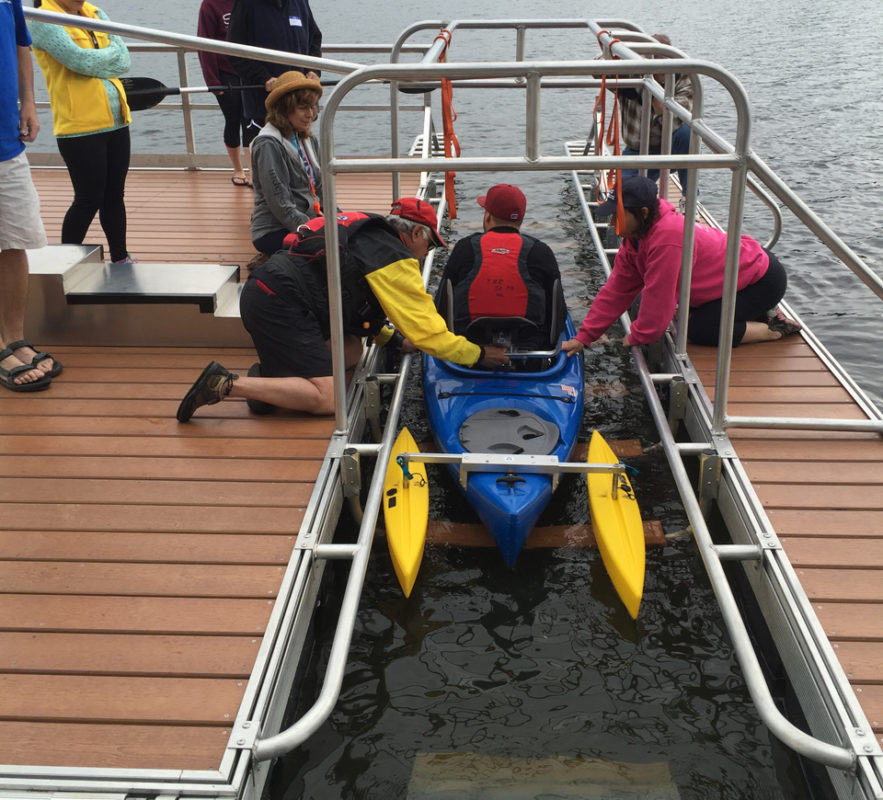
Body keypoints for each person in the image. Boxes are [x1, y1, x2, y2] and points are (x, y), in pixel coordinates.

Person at [176, 198, 510, 421]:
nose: (428, 253)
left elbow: (353, 301)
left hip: (266, 292)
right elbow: (431, 334)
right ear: (417, 233)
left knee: (352, 349)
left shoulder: (367, 234)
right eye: (431, 244)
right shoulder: (394, 260)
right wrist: (479, 354)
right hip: (282, 304)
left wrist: (393, 340)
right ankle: (225, 384)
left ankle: (276, 383)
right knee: (331, 400)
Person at [562, 175, 801, 356]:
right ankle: (763, 312)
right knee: (689, 315)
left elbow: (659, 297)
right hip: (740, 273)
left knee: (700, 330)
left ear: (643, 212)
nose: (614, 222)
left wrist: (638, 335)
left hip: (761, 280)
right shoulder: (635, 238)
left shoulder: (667, 239)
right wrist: (585, 336)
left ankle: (774, 328)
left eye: (619, 216)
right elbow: (617, 289)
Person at [29, 0, 135, 265]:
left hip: (117, 119)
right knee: (88, 198)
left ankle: (120, 258)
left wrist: (99, 63)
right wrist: (106, 60)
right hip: (79, 126)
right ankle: (66, 263)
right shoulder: (42, 19)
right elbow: (78, 61)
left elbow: (125, 59)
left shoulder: (95, 13)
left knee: (114, 195)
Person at [1, 0, 62, 391]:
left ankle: (14, 336)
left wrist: (28, 101)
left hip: (6, 139)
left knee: (15, 241)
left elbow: (21, 43)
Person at [437, 184, 566, 349]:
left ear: (488, 216)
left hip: (469, 346)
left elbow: (442, 302)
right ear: (521, 219)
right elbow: (557, 310)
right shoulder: (541, 251)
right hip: (529, 348)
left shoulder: (464, 248)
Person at [226, 0, 321, 146]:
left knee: (301, 160)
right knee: (267, 160)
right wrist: (264, 78)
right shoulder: (246, 4)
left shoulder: (300, 2)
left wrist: (313, 69)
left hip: (300, 103)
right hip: (264, 106)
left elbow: (315, 38)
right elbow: (234, 52)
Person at [249, 70, 323, 257]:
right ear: (284, 109)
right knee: (332, 250)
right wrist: (314, 231)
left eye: (312, 107)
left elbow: (322, 188)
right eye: (302, 107)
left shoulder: (307, 139)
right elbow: (280, 204)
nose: (310, 114)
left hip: (309, 221)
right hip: (275, 229)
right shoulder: (268, 144)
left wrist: (340, 219)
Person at [617, 33, 692, 192]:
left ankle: (690, 196)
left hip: (669, 144)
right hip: (636, 150)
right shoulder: (630, 73)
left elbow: (674, 120)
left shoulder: (682, 76)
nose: (657, 72)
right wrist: (614, 52)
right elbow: (597, 70)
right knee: (623, 195)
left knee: (687, 134)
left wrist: (652, 90)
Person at [197, 0, 251, 187]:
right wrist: (212, 81)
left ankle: (254, 171)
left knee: (251, 121)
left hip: (250, 71)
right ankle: (238, 169)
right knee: (233, 120)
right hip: (225, 73)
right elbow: (204, 43)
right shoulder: (210, 5)